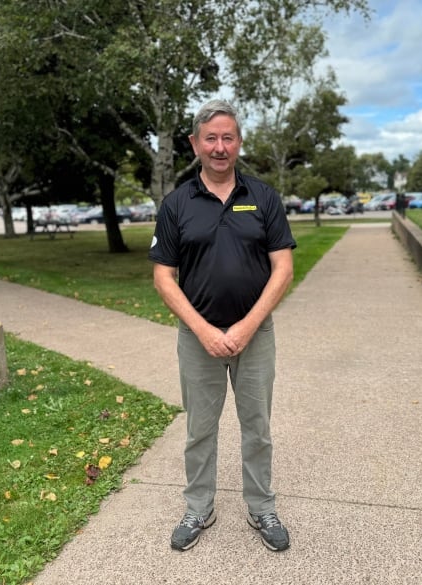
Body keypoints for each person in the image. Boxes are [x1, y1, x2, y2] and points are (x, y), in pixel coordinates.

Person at [149, 99, 296, 552]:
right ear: (195, 144)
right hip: (198, 338)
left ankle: (262, 507)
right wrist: (205, 331)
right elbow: (163, 278)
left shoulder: (264, 198)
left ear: (239, 142)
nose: (219, 146)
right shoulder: (176, 205)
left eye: (227, 137)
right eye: (210, 138)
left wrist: (247, 327)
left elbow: (283, 269)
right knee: (200, 429)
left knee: (257, 426)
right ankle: (198, 508)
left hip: (256, 336)